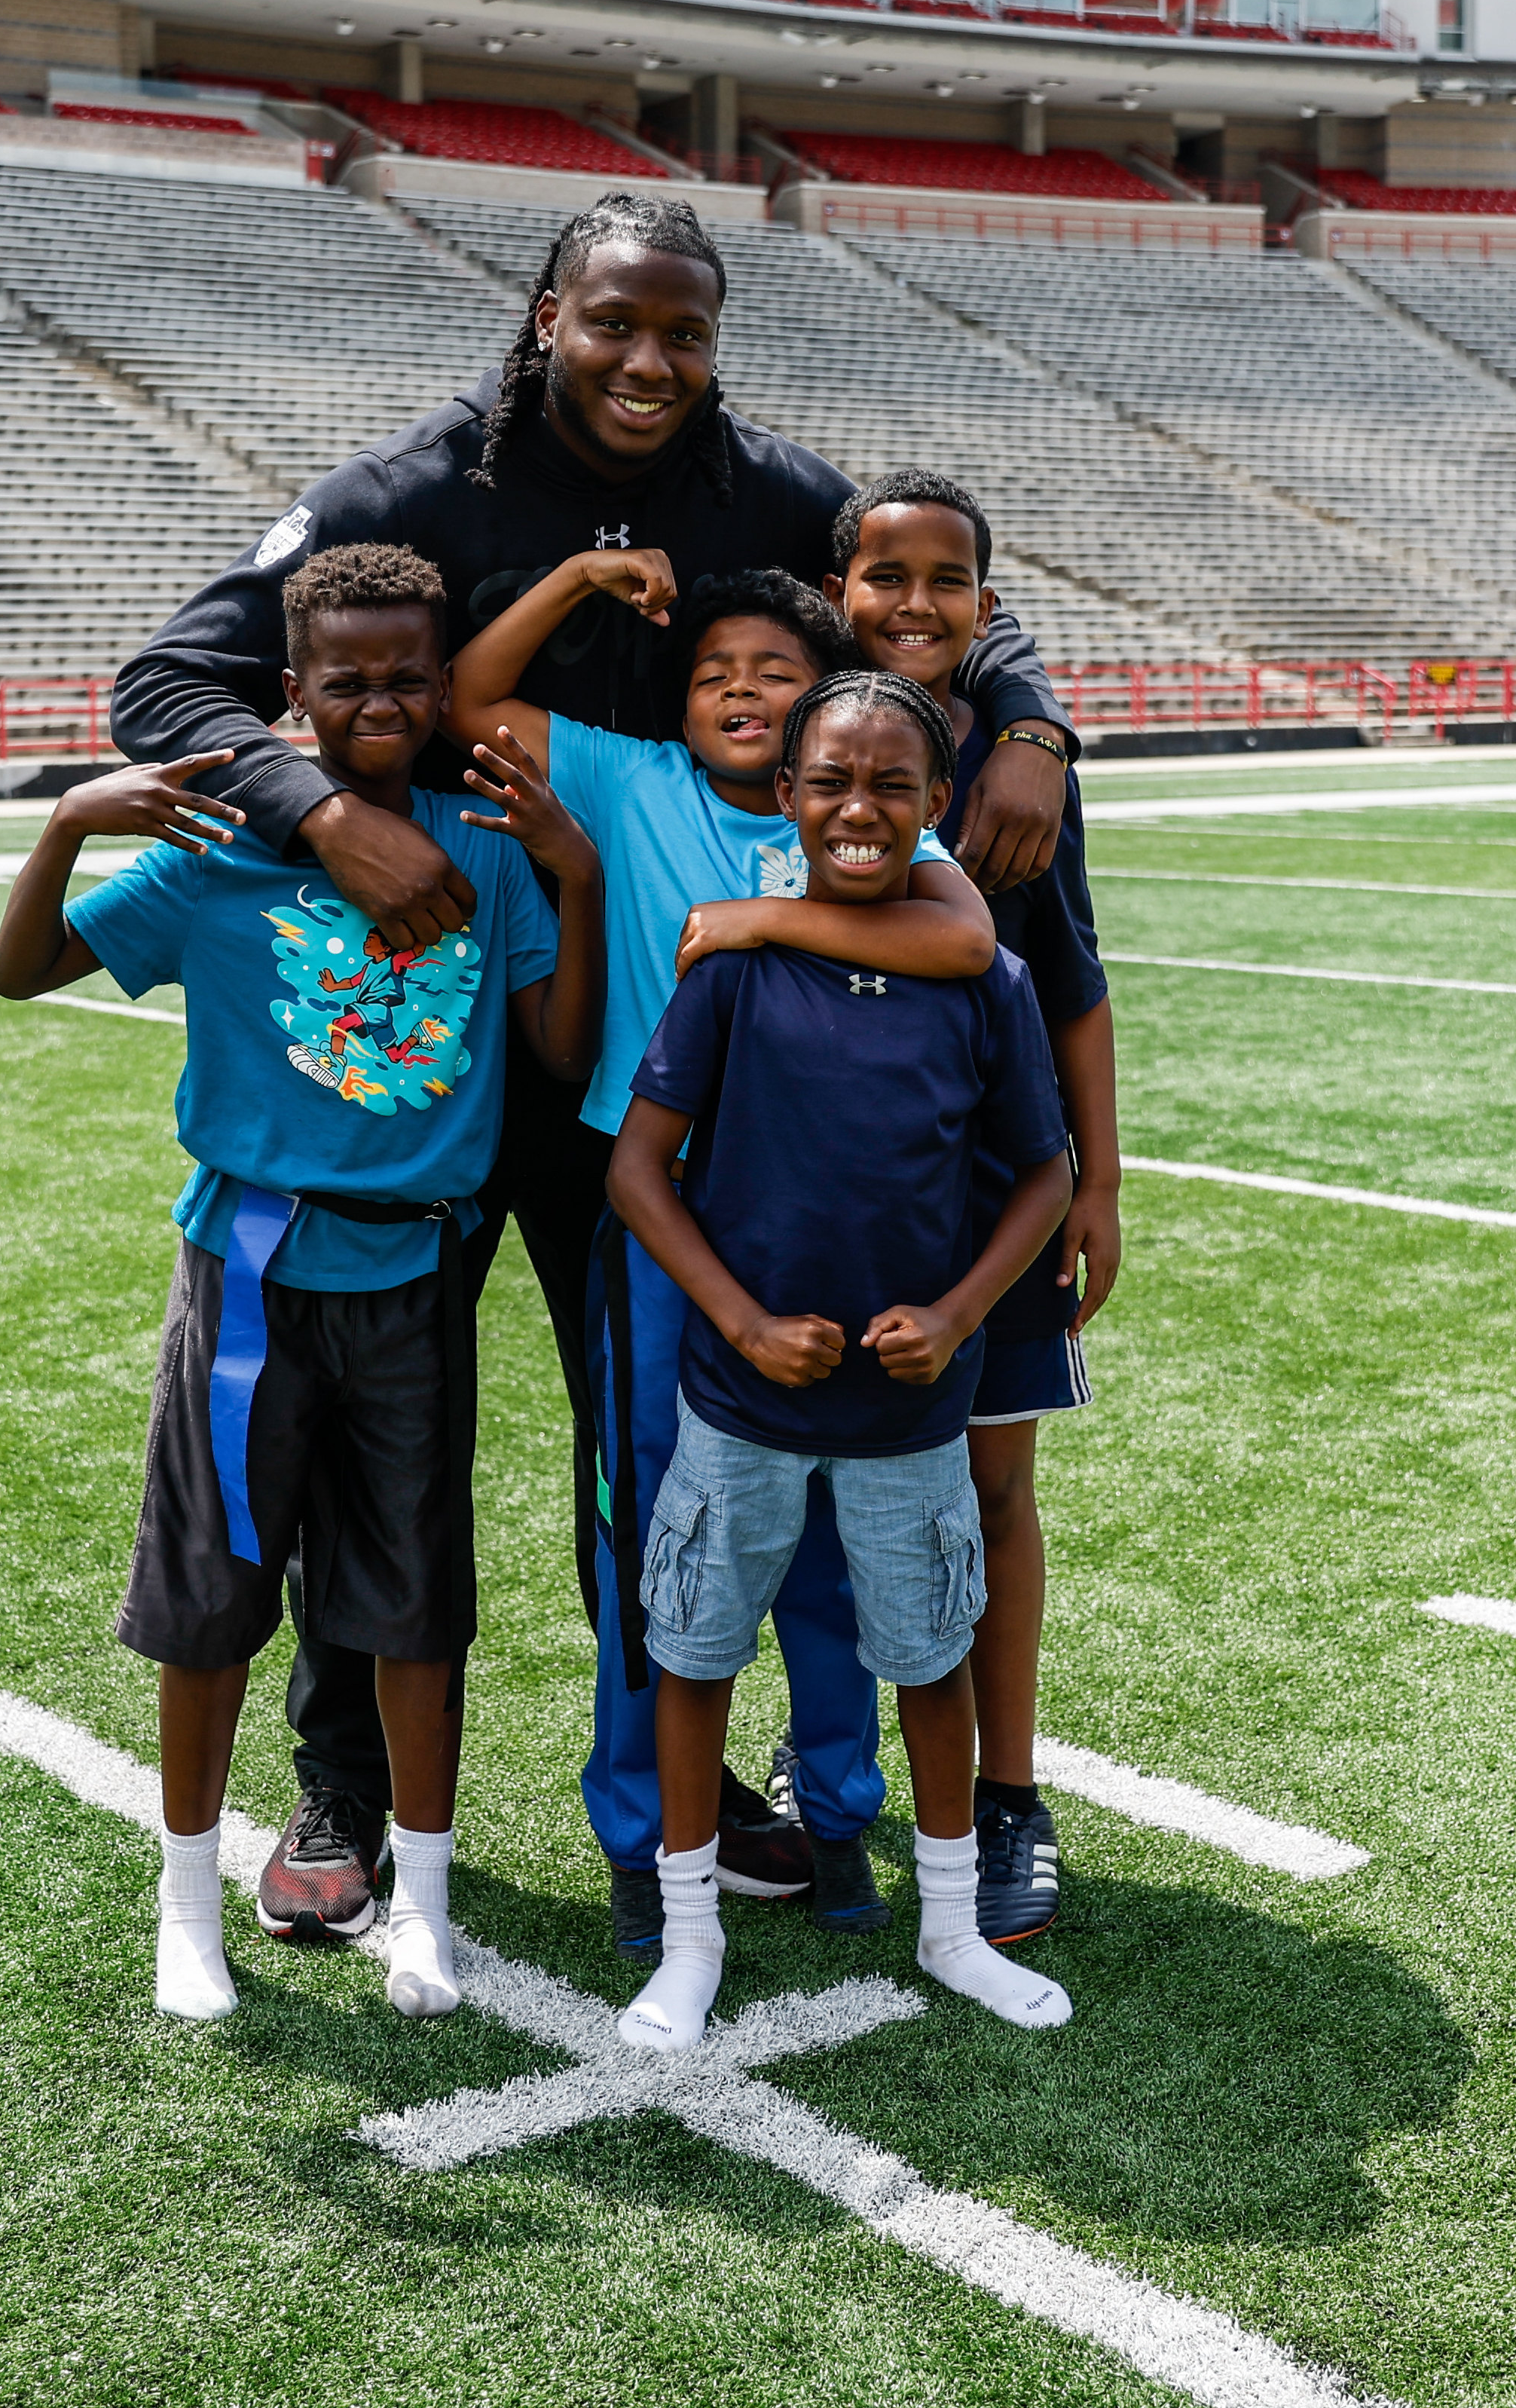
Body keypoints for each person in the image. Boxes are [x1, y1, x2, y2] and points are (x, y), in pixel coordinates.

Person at [109, 190, 1082, 1942]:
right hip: (413, 1067)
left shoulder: (767, 490)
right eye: (612, 322)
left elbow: (926, 589)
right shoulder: (414, 495)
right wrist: (324, 816)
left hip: (665, 1090)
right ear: (542, 312)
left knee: (654, 1457)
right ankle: (340, 1780)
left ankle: (701, 1799)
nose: (646, 362)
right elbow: (172, 675)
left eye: (681, 332)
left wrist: (1028, 719)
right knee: (355, 1439)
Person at [0, 545, 602, 2016]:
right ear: (293, 694)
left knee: (411, 1604)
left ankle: (425, 1908)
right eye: (347, 678)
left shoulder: (491, 840)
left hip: (414, 1274)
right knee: (210, 1599)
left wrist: (575, 878)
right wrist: (72, 817)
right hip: (251, 1266)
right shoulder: (219, 846)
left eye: (407, 674)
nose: (380, 699)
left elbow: (564, 1052)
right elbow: (21, 973)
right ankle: (184, 1903)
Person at [452, 552, 999, 1949]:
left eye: (775, 672)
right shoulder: (632, 786)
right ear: (675, 708)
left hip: (832, 1225)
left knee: (828, 1543)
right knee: (657, 1529)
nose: (743, 690)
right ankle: (644, 1837)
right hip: (666, 1219)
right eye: (713, 673)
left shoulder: (866, 818)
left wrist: (758, 917)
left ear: (831, 712)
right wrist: (577, 574)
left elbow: (968, 937)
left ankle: (832, 1811)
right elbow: (466, 695)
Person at [601, 668, 1077, 2051]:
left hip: (908, 1411)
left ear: (937, 805)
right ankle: (689, 1939)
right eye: (829, 782)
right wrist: (739, 1318)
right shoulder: (737, 968)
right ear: (788, 802)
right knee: (693, 1652)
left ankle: (945, 1926)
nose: (857, 808)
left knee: (928, 1657)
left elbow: (1039, 1178)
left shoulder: (983, 981)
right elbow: (638, 1170)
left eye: (890, 784)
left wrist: (957, 1317)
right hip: (738, 1396)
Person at [821, 470, 1117, 1944]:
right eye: (885, 576)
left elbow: (1074, 985)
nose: (915, 604)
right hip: (825, 1192)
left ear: (989, 609)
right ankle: (826, 1766)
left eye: (948, 581)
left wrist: (1103, 1180)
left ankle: (1007, 1789)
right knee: (817, 1491)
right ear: (835, 596)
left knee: (992, 1490)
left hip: (997, 1194)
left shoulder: (1016, 775)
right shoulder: (801, 745)